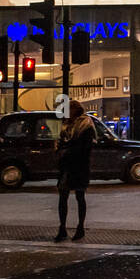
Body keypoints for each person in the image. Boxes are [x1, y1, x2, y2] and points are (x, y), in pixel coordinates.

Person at [55, 104, 95, 242]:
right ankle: (62, 228)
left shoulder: (86, 125)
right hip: (67, 165)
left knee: (79, 196)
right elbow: (59, 143)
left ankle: (80, 227)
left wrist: (66, 151)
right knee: (63, 196)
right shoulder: (66, 125)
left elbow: (85, 147)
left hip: (79, 166)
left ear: (75, 110)